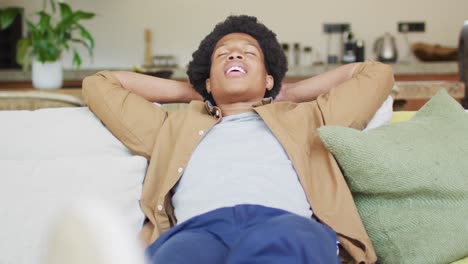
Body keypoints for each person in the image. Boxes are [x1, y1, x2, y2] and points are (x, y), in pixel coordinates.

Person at [82, 15, 394, 263]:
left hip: (285, 224)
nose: (234, 54)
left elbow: (375, 74)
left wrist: (290, 92)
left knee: (280, 248)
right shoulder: (171, 127)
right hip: (197, 231)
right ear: (207, 78)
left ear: (268, 77)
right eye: (223, 55)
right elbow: (101, 85)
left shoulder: (307, 117)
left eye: (248, 53)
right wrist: (196, 90)